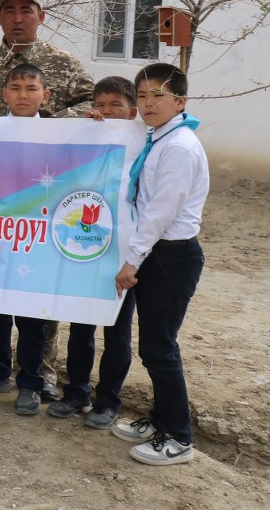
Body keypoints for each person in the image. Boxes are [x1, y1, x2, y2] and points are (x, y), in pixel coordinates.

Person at [0, 0, 96, 399]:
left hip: (45, 193)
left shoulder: (63, 63)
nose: (18, 17)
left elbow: (93, 106)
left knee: (38, 285)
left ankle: (42, 370)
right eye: (9, 11)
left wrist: (41, 124)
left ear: (41, 15)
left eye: (26, 10)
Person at [111, 63, 207, 466]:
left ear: (180, 102)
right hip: (157, 253)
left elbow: (160, 212)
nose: (148, 103)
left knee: (160, 348)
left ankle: (179, 437)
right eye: (142, 96)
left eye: (158, 96)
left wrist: (132, 260)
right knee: (153, 347)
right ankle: (160, 420)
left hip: (171, 256)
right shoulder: (157, 137)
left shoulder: (178, 147)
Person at [47, 76, 139, 429]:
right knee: (81, 326)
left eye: (116, 105)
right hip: (86, 251)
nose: (107, 112)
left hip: (124, 255)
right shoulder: (87, 137)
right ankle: (76, 392)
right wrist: (84, 133)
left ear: (132, 111)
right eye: (100, 105)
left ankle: (109, 400)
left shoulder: (143, 145)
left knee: (117, 331)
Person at [0, 64, 52, 416]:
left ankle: (30, 381)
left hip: (35, 240)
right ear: (3, 94)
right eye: (15, 88)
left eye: (31, 89)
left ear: (45, 96)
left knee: (32, 316)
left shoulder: (61, 135)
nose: (22, 95)